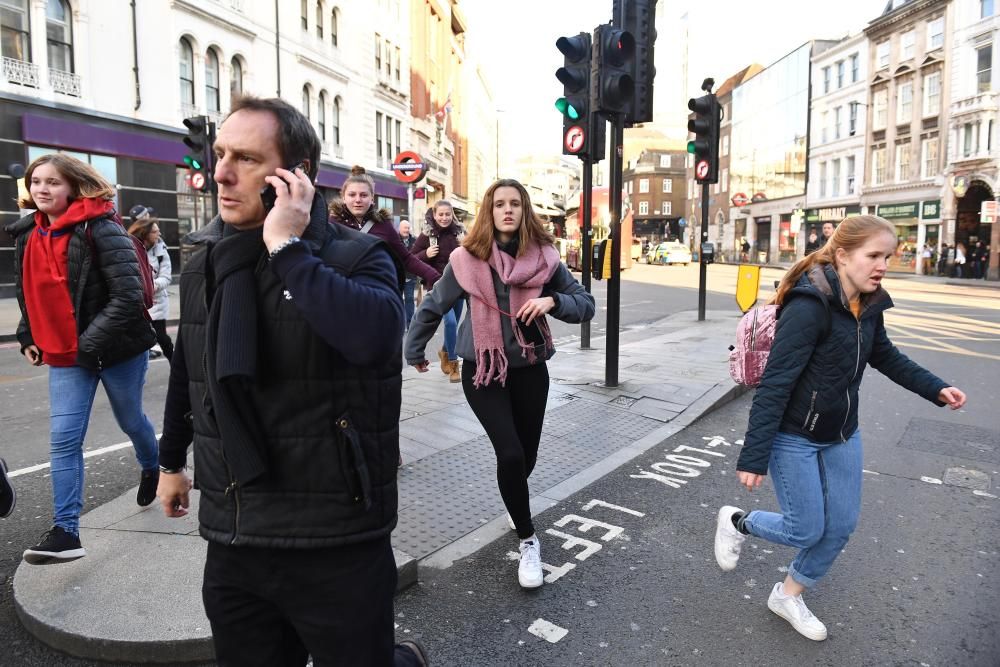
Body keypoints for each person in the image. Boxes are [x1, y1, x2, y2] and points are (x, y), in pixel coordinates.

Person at [154, 96, 427, 666]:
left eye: (246, 159)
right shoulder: (207, 257)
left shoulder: (360, 257)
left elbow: (375, 341)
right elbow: (191, 366)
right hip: (235, 536)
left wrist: (287, 249)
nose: (221, 172)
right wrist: (170, 463)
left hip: (335, 537)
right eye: (221, 153)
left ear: (292, 176)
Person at [713, 215, 967, 642]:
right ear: (844, 255)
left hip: (842, 433)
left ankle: (788, 595)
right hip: (793, 435)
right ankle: (738, 522)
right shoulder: (809, 307)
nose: (882, 265)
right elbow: (775, 384)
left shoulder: (868, 304)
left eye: (888, 256)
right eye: (874, 256)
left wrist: (937, 389)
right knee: (805, 528)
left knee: (841, 526)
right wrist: (754, 455)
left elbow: (885, 355)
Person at [405, 178, 595, 590]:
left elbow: (586, 305)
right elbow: (435, 304)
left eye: (514, 204)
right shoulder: (466, 259)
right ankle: (528, 540)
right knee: (509, 453)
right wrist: (414, 348)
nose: (507, 210)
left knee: (525, 456)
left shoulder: (546, 259)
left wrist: (553, 300)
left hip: (529, 370)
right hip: (483, 371)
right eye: (498, 204)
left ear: (524, 211)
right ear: (488, 212)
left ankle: (515, 501)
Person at [5, 153, 159, 565]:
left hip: (116, 349)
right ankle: (66, 531)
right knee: (64, 439)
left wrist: (89, 344)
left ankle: (152, 465)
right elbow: (28, 291)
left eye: (52, 182)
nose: (41, 189)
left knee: (131, 420)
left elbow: (129, 297)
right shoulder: (27, 234)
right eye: (36, 181)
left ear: (73, 185)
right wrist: (27, 335)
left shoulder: (102, 227)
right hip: (63, 354)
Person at [329, 166, 440, 291]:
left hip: (377, 296)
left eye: (364, 195)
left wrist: (436, 278)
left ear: (372, 198)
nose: (358, 200)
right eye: (352, 195)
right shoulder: (331, 224)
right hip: (342, 295)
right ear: (344, 198)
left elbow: (406, 259)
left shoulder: (383, 225)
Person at [412, 200, 466, 382]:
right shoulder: (427, 235)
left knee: (455, 323)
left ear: (452, 215)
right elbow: (411, 259)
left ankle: (445, 350)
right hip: (438, 286)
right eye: (440, 214)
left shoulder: (460, 233)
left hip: (459, 286)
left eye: (447, 214)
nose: (444, 218)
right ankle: (453, 364)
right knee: (450, 323)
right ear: (434, 215)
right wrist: (425, 254)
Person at [127, 205, 173, 361]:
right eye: (154, 232)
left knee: (161, 337)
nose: (159, 234)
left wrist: (151, 286)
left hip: (156, 301)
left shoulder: (161, 249)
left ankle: (176, 364)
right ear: (145, 234)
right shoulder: (130, 247)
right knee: (139, 339)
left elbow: (166, 276)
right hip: (137, 301)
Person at [398, 220, 419, 331]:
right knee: (397, 299)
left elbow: (417, 257)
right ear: (399, 228)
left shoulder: (415, 241)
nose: (407, 230)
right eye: (404, 228)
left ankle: (410, 323)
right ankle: (398, 322)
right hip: (397, 276)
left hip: (410, 276)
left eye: (408, 228)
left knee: (410, 299)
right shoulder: (394, 240)